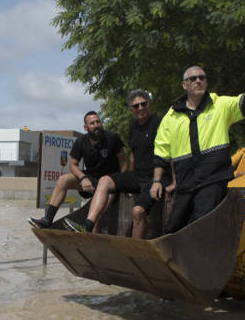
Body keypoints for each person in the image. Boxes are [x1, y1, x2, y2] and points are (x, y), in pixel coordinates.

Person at [152, 66, 245, 233]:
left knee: (201, 225)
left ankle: (201, 258)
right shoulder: (171, 117)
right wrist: (157, 181)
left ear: (206, 82)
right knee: (173, 228)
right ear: (184, 85)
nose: (198, 80)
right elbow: (161, 152)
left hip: (213, 181)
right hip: (186, 183)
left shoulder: (220, 105)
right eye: (193, 79)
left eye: (202, 77)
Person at [63, 90, 168, 237]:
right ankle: (88, 225)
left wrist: (172, 181)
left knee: (137, 212)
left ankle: (134, 251)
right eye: (136, 106)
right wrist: (128, 179)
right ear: (131, 109)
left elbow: (171, 152)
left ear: (149, 104)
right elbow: (132, 154)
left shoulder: (160, 123)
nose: (140, 108)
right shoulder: (133, 126)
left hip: (155, 178)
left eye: (143, 104)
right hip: (138, 175)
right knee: (105, 180)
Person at [28, 111, 126, 228]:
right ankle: (47, 220)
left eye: (98, 122)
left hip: (110, 182)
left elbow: (124, 161)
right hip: (91, 179)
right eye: (92, 123)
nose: (96, 125)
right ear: (86, 127)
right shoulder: (80, 141)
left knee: (101, 212)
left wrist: (122, 182)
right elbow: (73, 165)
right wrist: (83, 178)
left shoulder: (112, 138)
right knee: (63, 180)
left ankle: (88, 232)